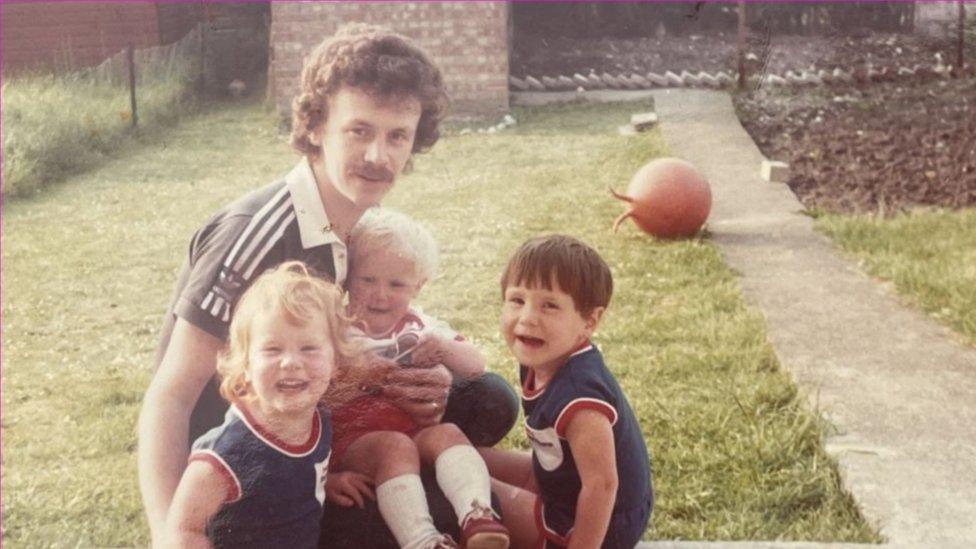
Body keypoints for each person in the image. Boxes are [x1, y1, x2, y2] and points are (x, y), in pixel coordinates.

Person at [138, 23, 518, 547]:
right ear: (316, 126)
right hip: (247, 471)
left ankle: (476, 479)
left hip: (311, 422)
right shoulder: (257, 232)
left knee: (485, 395)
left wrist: (408, 376)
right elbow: (171, 393)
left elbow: (347, 342)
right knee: (416, 521)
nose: (378, 156)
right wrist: (169, 532)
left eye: (397, 136)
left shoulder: (357, 222)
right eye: (359, 131)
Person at [324, 208, 509, 549]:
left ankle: (477, 515)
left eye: (396, 284)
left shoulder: (419, 325)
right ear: (348, 278)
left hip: (412, 430)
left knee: (448, 434)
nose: (380, 294)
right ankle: (422, 541)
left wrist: (442, 349)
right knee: (395, 447)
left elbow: (475, 367)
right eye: (368, 280)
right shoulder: (336, 327)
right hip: (354, 440)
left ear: (418, 285)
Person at [164, 262, 354, 547]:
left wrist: (327, 481)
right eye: (272, 350)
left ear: (335, 361)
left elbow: (291, 475)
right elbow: (183, 529)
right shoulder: (229, 454)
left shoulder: (317, 418)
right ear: (246, 365)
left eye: (309, 348)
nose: (290, 362)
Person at [481, 235, 653, 549]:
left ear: (589, 321)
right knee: (462, 458)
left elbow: (602, 485)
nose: (528, 317)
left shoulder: (580, 399)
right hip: (561, 485)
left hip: (596, 526)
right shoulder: (544, 358)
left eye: (549, 305)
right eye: (517, 300)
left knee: (469, 490)